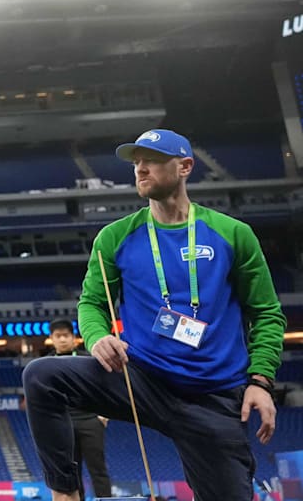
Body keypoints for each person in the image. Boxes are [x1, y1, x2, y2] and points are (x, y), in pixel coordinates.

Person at [22, 129, 286, 501]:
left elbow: (267, 314)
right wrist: (97, 338)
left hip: (213, 395)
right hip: (140, 380)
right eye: (136, 162)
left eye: (153, 160)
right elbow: (92, 303)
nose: (141, 169)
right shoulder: (114, 238)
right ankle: (65, 493)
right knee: (43, 375)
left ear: (185, 167)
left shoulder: (232, 234)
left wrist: (260, 381)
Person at [45, 318, 111, 499]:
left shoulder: (86, 358)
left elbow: (102, 386)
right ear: (51, 338)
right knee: (72, 471)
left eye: (66, 335)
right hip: (63, 424)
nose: (63, 339)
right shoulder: (45, 364)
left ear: (74, 337)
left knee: (98, 469)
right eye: (58, 336)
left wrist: (104, 414)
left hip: (90, 420)